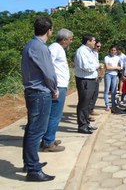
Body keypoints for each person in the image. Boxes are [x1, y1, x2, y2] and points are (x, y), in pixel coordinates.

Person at [21, 17, 58, 182]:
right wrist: (54, 89)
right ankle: (33, 170)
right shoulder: (41, 48)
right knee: (36, 131)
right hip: (40, 93)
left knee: (31, 130)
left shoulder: (30, 45)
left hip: (32, 91)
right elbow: (49, 73)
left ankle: (29, 163)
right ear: (49, 30)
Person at [41, 28, 74, 152]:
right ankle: (48, 142)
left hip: (59, 85)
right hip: (57, 86)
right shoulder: (55, 48)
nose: (71, 42)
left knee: (53, 115)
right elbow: (48, 66)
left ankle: (49, 138)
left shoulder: (57, 48)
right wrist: (53, 86)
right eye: (70, 39)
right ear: (64, 39)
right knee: (55, 115)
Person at [75, 34, 99, 134]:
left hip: (91, 79)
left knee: (88, 103)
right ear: (88, 41)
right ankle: (82, 125)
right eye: (93, 41)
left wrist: (95, 65)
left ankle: (86, 123)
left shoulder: (90, 52)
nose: (95, 42)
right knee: (83, 103)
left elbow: (94, 63)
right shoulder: (81, 51)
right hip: (85, 80)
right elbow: (85, 66)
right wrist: (96, 65)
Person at [104, 45, 121, 113]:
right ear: (109, 50)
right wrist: (115, 67)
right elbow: (107, 67)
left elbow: (120, 67)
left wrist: (114, 67)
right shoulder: (106, 57)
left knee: (114, 91)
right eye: (112, 50)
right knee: (107, 90)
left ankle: (113, 105)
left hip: (115, 75)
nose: (113, 52)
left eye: (114, 50)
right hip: (108, 74)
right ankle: (107, 105)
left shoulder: (117, 58)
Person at [89, 40, 103, 120]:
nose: (99, 48)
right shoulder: (90, 53)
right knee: (90, 96)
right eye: (97, 46)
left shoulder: (96, 53)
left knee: (95, 94)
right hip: (90, 76)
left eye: (100, 46)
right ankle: (87, 112)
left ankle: (91, 109)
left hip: (96, 75)